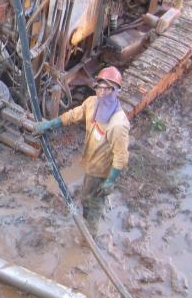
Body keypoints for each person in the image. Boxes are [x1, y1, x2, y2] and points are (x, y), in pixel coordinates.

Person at [34, 66, 130, 234]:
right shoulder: (93, 104)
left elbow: (121, 157)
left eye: (107, 88)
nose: (102, 92)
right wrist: (51, 124)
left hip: (101, 171)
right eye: (100, 87)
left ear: (115, 91)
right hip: (90, 163)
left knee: (94, 202)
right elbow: (73, 114)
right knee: (87, 197)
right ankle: (86, 223)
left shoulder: (118, 124)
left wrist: (111, 180)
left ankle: (89, 236)